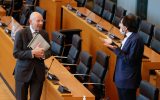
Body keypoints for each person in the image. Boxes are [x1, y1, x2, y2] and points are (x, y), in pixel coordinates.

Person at [102, 14, 144, 100]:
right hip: (122, 78)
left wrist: (116, 49)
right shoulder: (129, 37)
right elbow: (123, 52)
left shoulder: (136, 40)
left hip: (128, 80)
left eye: (121, 23)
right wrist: (112, 45)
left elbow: (130, 60)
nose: (119, 25)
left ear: (126, 27)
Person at [13, 12, 51, 100]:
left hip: (38, 74)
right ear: (30, 21)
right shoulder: (21, 33)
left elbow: (49, 51)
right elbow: (16, 53)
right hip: (23, 73)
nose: (41, 23)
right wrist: (32, 53)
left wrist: (43, 55)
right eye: (38, 21)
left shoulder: (44, 34)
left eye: (42, 21)